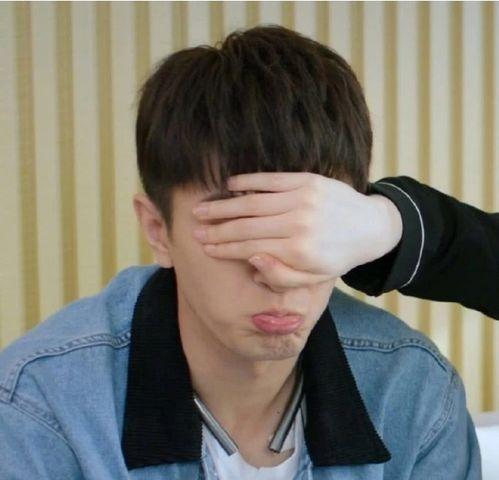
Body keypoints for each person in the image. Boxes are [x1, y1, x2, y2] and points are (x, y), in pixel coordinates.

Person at [0, 25, 481, 479]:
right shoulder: (42, 404)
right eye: (237, 225)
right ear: (158, 229)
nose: (276, 273)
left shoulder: (414, 390)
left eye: (301, 225)